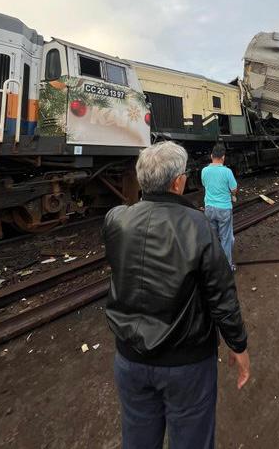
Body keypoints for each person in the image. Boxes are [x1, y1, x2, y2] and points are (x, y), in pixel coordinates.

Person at [103, 141, 250, 449]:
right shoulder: (198, 226)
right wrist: (238, 345)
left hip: (129, 358)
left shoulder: (116, 220)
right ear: (177, 182)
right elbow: (222, 295)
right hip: (186, 362)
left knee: (138, 438)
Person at [201, 144, 237, 269]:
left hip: (209, 209)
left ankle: (213, 265)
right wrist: (233, 195)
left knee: (213, 238)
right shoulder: (227, 172)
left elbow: (205, 185)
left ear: (211, 156)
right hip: (224, 209)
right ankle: (227, 267)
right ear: (223, 157)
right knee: (226, 239)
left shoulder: (204, 171)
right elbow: (234, 188)